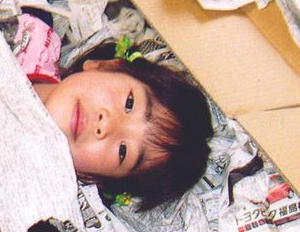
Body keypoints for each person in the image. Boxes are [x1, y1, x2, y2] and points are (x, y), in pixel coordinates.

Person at [32, 40, 214, 211]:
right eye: (129, 103)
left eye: (123, 151)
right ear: (105, 66)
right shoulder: (30, 35)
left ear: (93, 180)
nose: (105, 124)